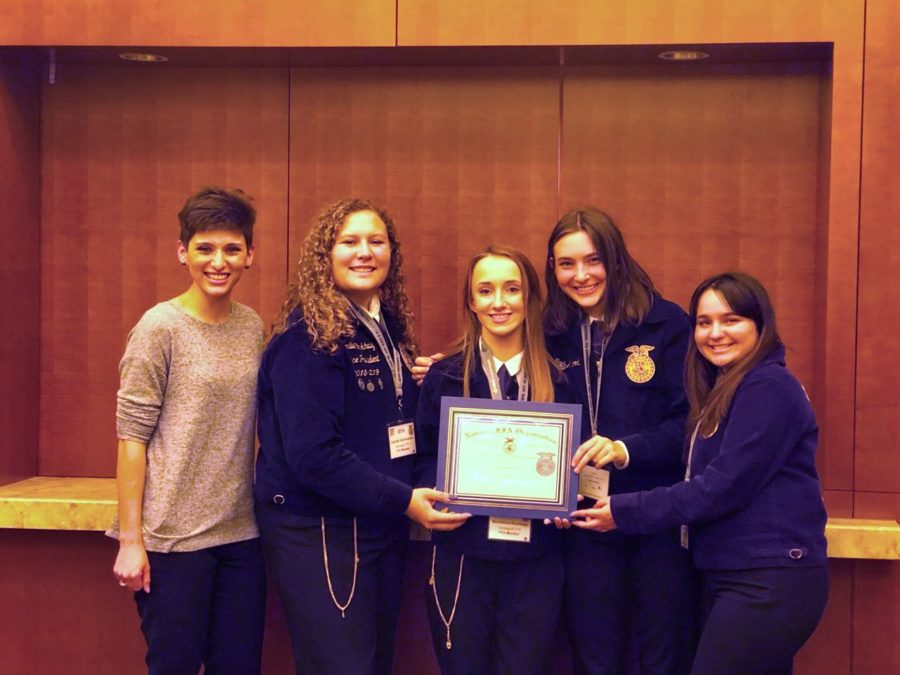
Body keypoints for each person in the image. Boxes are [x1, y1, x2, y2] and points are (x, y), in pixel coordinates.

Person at [572, 272, 829, 675]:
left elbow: (719, 488)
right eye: (704, 322)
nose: (715, 333)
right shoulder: (725, 389)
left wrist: (624, 510)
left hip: (767, 577)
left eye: (731, 320)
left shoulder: (768, 388)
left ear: (760, 325)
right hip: (732, 571)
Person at [254, 198, 469, 675]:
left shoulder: (382, 325)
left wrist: (432, 382)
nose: (364, 252)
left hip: (375, 522)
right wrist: (405, 500)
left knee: (372, 664)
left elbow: (389, 422)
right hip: (322, 531)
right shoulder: (308, 337)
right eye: (348, 242)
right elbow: (314, 457)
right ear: (323, 256)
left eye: (376, 241)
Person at [110, 186, 266, 674]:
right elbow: (131, 437)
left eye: (231, 249)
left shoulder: (252, 327)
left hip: (241, 536)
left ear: (249, 255)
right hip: (171, 543)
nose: (218, 261)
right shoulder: (159, 328)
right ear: (183, 252)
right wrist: (131, 540)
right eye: (205, 248)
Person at [545, 208, 697, 674]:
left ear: (615, 259)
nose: (581, 275)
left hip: (656, 518)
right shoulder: (549, 331)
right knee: (595, 656)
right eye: (565, 264)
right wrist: (444, 369)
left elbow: (691, 423)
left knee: (663, 654)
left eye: (593, 260)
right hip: (585, 522)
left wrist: (624, 449)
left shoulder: (666, 325)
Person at [417, 245, 579, 674]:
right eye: (485, 291)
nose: (499, 302)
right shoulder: (444, 376)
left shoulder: (561, 380)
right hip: (463, 553)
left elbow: (577, 465)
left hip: (536, 560)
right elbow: (421, 456)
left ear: (530, 299)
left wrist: (569, 501)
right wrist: (435, 496)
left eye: (512, 289)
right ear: (471, 302)